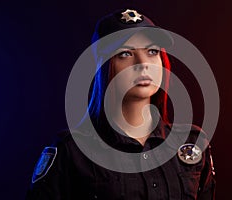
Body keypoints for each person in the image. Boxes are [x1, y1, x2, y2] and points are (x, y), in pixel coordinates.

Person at [26, 8, 216, 200]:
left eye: (152, 51)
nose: (143, 63)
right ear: (104, 65)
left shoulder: (191, 143)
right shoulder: (71, 152)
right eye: (125, 53)